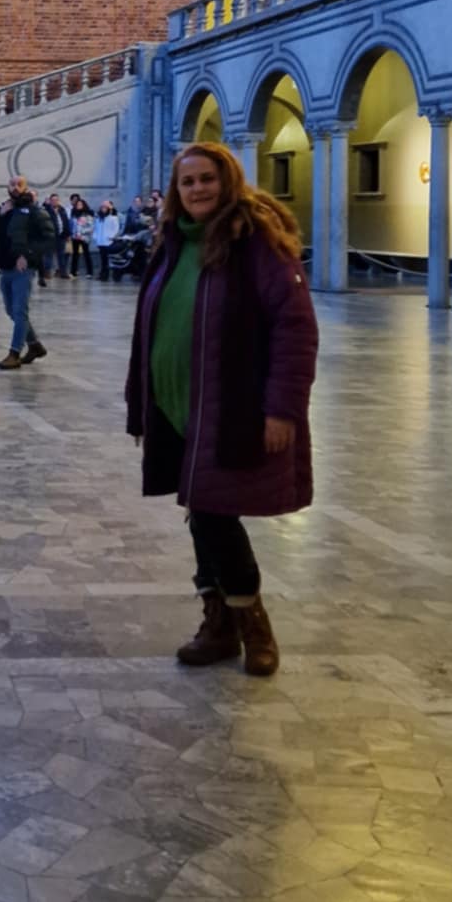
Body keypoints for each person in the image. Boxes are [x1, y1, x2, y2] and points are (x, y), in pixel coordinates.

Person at [124, 142, 317, 679]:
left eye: (207, 179)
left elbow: (295, 329)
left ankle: (250, 622)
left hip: (228, 406)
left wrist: (282, 409)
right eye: (188, 182)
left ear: (228, 180)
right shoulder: (173, 242)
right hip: (175, 405)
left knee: (212, 513)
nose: (198, 189)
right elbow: (151, 325)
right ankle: (220, 623)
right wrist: (142, 405)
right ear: (176, 191)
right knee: (202, 509)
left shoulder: (255, 241)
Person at [0, 177, 56, 370]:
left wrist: (27, 255)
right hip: (5, 267)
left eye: (19, 184)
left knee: (20, 311)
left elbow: (49, 237)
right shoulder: (5, 210)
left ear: (26, 187)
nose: (15, 187)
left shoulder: (34, 211)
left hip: (23, 268)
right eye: (12, 184)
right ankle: (35, 345)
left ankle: (14, 352)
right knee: (11, 311)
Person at [92, 200, 121, 280]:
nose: (103, 209)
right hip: (100, 242)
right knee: (103, 260)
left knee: (108, 260)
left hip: (109, 242)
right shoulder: (99, 219)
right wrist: (95, 237)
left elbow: (116, 229)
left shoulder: (113, 218)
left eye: (105, 208)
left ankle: (107, 275)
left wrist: (110, 237)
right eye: (102, 208)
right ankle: (103, 275)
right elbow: (96, 229)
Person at [45, 194, 72, 279]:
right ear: (50, 201)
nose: (55, 201)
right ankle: (47, 272)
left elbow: (66, 222)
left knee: (61, 255)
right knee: (49, 255)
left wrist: (67, 234)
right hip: (51, 236)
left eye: (56, 200)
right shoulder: (46, 210)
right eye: (53, 200)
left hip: (61, 236)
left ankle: (63, 272)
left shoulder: (62, 210)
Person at [70, 198, 96, 276]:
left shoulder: (88, 215)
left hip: (84, 238)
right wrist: (73, 233)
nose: (79, 206)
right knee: (75, 255)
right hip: (75, 237)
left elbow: (91, 227)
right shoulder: (73, 214)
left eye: (80, 205)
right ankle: (73, 272)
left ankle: (90, 272)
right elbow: (72, 225)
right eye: (77, 205)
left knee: (86, 254)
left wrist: (82, 233)